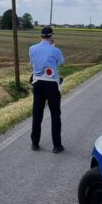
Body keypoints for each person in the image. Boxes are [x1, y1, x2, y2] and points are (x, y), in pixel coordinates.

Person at [29, 25, 65, 153]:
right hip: (51, 84)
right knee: (55, 115)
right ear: (51, 36)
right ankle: (56, 146)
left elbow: (32, 63)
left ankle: (35, 143)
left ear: (41, 36)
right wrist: (53, 48)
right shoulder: (55, 50)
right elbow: (61, 62)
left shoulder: (32, 48)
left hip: (38, 83)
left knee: (37, 114)